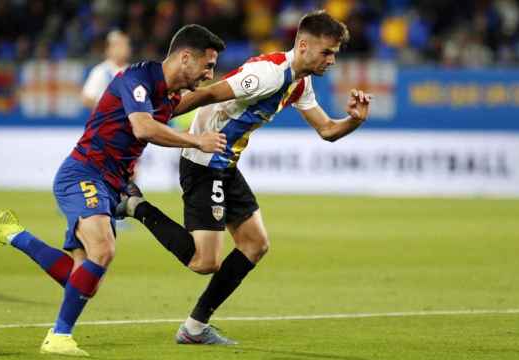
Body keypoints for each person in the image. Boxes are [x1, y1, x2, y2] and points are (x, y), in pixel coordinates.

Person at [116, 10, 372, 345]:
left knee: (255, 244)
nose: (332, 60)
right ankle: (134, 205)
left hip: (226, 165)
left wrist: (353, 120)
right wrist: (148, 119)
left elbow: (326, 130)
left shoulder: (300, 83)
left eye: (335, 54)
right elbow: (206, 93)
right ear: (305, 46)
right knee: (204, 261)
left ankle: (194, 328)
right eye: (327, 52)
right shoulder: (267, 74)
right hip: (204, 161)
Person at [0, 24, 226, 357]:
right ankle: (58, 336)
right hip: (83, 173)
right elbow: (143, 127)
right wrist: (197, 141)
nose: (209, 73)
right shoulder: (138, 78)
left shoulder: (170, 95)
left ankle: (12, 233)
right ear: (185, 57)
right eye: (207, 65)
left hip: (111, 183)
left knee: (84, 278)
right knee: (103, 250)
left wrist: (248, 87)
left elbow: (204, 97)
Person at [82, 30, 131, 108]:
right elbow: (87, 99)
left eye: (126, 45)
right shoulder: (100, 71)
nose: (125, 49)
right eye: (120, 45)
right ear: (109, 49)